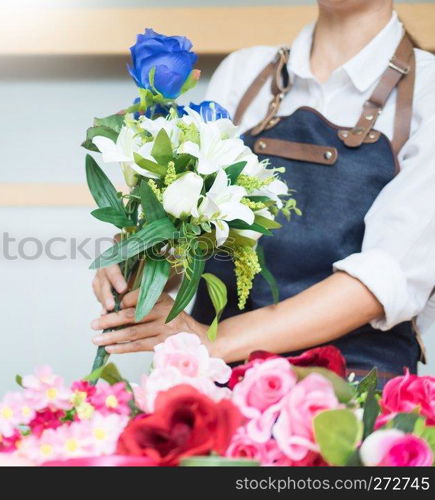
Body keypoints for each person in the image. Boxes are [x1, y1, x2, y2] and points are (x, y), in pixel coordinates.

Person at [90, 0, 435, 384]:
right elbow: (198, 233)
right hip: (219, 385)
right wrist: (143, 259)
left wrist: (208, 340)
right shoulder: (245, 72)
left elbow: (386, 278)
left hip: (349, 394)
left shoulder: (428, 91)